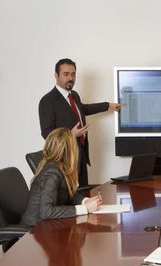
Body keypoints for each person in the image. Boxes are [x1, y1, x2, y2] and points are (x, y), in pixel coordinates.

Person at [39, 58, 123, 186]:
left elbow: (83, 109)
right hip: (64, 159)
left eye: (73, 74)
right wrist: (69, 134)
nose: (70, 78)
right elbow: (46, 133)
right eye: (66, 74)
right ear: (56, 76)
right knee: (72, 197)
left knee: (84, 194)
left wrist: (108, 105)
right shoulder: (47, 100)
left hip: (81, 153)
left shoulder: (74, 95)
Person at [21, 128, 102, 227]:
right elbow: (46, 211)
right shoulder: (52, 174)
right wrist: (85, 209)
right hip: (35, 230)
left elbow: (65, 195)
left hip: (48, 226)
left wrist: (86, 201)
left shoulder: (59, 167)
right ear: (69, 150)